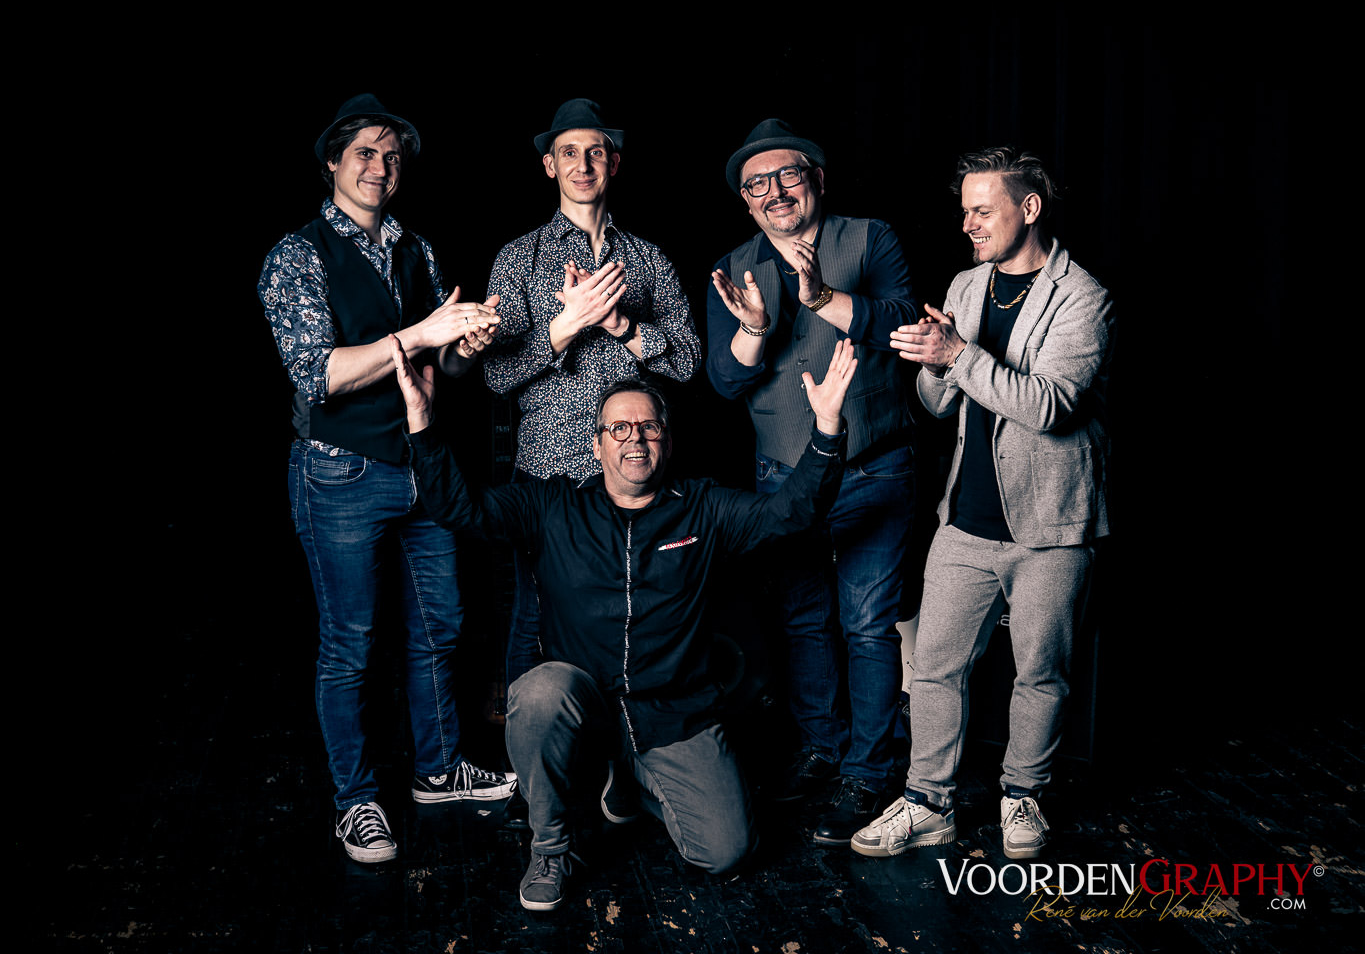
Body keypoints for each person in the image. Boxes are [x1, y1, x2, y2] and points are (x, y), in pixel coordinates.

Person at [393, 333, 857, 911]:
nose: (634, 438)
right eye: (618, 428)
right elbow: (460, 509)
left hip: (673, 712)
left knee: (726, 851)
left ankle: (632, 778)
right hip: (584, 705)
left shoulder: (703, 508)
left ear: (667, 440)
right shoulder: (552, 506)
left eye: (648, 427)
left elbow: (792, 514)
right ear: (596, 445)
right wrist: (422, 422)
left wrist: (827, 429)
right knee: (538, 692)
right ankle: (553, 847)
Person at [258, 94, 514, 864]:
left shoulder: (415, 248)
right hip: (340, 472)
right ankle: (356, 801)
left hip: (421, 468)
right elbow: (318, 374)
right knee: (351, 645)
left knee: (440, 625)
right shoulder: (296, 255)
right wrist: (424, 330)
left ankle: (438, 770)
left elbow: (442, 367)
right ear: (332, 162)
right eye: (365, 152)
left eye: (392, 156)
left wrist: (466, 343)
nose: (380, 167)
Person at [851, 146, 1114, 862]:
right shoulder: (966, 285)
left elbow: (1051, 406)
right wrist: (931, 362)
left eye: (981, 211)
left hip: (1050, 525)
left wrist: (956, 356)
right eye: (963, 211)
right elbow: (939, 404)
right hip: (965, 520)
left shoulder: (1082, 297)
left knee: (1040, 672)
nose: (967, 224)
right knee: (934, 668)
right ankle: (926, 803)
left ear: (1028, 208)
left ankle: (1022, 794)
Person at [707, 119, 917, 844]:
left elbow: (900, 321)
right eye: (756, 185)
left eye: (787, 175)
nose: (773, 192)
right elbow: (725, 381)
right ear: (745, 201)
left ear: (817, 180)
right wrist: (754, 329)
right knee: (803, 618)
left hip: (872, 464)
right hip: (785, 476)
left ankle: (868, 770)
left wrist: (822, 295)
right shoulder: (732, 267)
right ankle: (824, 746)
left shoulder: (869, 238)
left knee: (866, 623)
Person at [483, 98, 700, 684]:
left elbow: (687, 363)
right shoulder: (519, 258)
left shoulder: (647, 259)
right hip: (549, 472)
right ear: (549, 165)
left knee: (632, 611)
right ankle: (530, 732)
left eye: (596, 152)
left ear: (614, 163)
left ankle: (623, 729)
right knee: (535, 613)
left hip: (632, 471)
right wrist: (564, 327)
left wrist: (621, 325)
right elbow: (495, 375)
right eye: (569, 153)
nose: (583, 165)